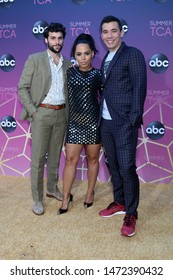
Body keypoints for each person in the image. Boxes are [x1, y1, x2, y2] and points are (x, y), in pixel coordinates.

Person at [99, 15, 147, 237]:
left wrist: (132, 121)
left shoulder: (133, 54)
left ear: (122, 32)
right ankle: (119, 202)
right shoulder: (106, 58)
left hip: (125, 122)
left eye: (113, 31)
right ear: (102, 35)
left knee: (127, 167)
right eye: (105, 32)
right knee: (114, 165)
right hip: (106, 122)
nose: (109, 35)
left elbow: (139, 89)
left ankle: (131, 212)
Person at [18, 22, 71, 215]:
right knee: (38, 159)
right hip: (41, 114)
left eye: (60, 38)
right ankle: (38, 199)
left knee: (55, 156)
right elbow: (22, 87)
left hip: (61, 114)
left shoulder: (68, 64)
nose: (56, 42)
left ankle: (52, 188)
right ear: (46, 39)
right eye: (53, 38)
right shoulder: (35, 59)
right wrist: (33, 111)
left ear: (63, 40)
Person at [57, 33, 102, 215]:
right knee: (70, 161)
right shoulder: (68, 73)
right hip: (74, 124)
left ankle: (90, 193)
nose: (82, 57)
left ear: (93, 53)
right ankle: (66, 196)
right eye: (78, 54)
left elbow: (106, 99)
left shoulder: (99, 75)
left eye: (86, 53)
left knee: (92, 160)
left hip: (93, 124)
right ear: (74, 55)